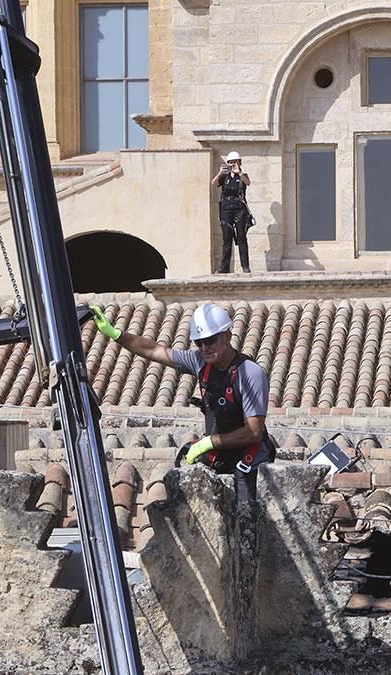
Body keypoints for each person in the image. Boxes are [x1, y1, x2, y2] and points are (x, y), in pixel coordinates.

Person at [91, 303, 274, 504]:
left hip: (249, 460)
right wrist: (116, 334)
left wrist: (209, 442)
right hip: (221, 453)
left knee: (246, 520)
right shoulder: (199, 361)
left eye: (210, 340)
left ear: (227, 336)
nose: (204, 348)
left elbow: (253, 431)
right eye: (199, 343)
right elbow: (154, 350)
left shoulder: (250, 374)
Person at [210, 151, 252, 274]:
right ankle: (224, 267)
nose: (233, 164)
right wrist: (220, 172)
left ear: (239, 163)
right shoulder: (224, 177)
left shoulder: (243, 175)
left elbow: (248, 183)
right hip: (226, 209)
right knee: (227, 238)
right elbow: (213, 183)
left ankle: (245, 266)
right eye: (231, 162)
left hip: (239, 209)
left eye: (235, 162)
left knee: (241, 237)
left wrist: (239, 172)